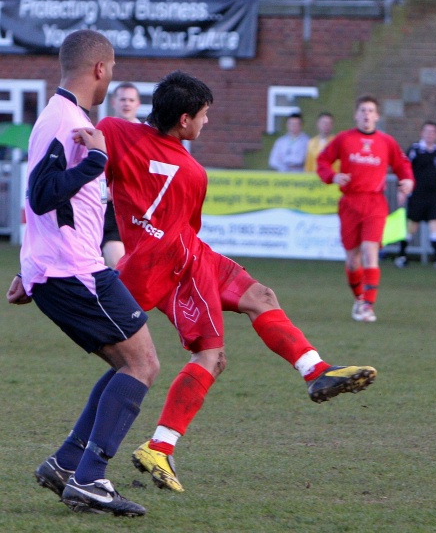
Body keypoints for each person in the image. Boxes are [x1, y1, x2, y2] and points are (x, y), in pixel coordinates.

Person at [96, 72, 377, 494]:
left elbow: (91, 147)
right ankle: (159, 447)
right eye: (205, 115)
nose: (208, 123)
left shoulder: (114, 130)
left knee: (262, 296)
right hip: (176, 266)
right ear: (185, 119)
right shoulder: (191, 173)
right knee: (211, 356)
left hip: (190, 253)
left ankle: (315, 371)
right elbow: (182, 226)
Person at [6, 30, 159, 517]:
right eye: (111, 67)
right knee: (143, 364)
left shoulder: (60, 116)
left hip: (59, 268)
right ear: (99, 68)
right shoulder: (66, 120)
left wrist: (30, 268)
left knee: (128, 364)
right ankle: (90, 477)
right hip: (75, 271)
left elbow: (43, 204)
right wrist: (96, 161)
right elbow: (40, 194)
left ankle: (67, 464)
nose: (113, 76)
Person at [317, 94, 415, 322]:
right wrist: (332, 176)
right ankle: (359, 299)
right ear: (356, 114)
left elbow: (402, 165)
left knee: (371, 252)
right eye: (362, 110)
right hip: (350, 202)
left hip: (374, 202)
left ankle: (368, 306)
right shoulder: (344, 139)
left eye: (371, 111)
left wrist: (408, 181)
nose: (366, 114)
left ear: (377, 116)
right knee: (352, 260)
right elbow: (322, 161)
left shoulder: (386, 141)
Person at [395, 120, 436, 270]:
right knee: (411, 227)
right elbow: (403, 169)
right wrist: (402, 190)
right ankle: (401, 256)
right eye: (427, 132)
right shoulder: (414, 150)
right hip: (417, 195)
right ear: (421, 133)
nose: (429, 135)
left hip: (433, 196)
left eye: (433, 132)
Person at [102, 82, 142, 269]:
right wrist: (104, 191)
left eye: (131, 100)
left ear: (138, 104)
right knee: (119, 268)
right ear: (113, 102)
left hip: (140, 210)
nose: (127, 103)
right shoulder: (103, 132)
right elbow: (94, 168)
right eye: (123, 99)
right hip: (112, 211)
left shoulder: (147, 136)